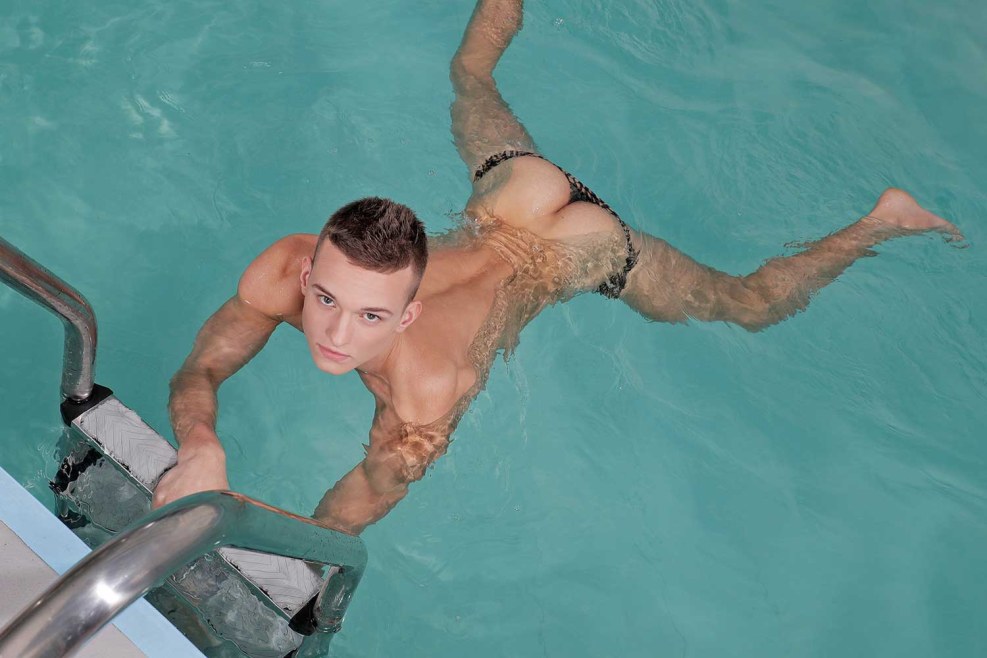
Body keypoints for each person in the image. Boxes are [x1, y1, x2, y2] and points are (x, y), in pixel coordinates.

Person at [151, 0, 960, 534]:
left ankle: (880, 222)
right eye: (326, 299)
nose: (333, 333)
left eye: (369, 317)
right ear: (306, 272)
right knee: (470, 74)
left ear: (408, 315)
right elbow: (202, 367)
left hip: (587, 249)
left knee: (750, 304)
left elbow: (349, 514)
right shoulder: (284, 266)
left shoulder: (428, 387)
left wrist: (252, 521)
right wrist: (200, 446)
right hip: (513, 187)